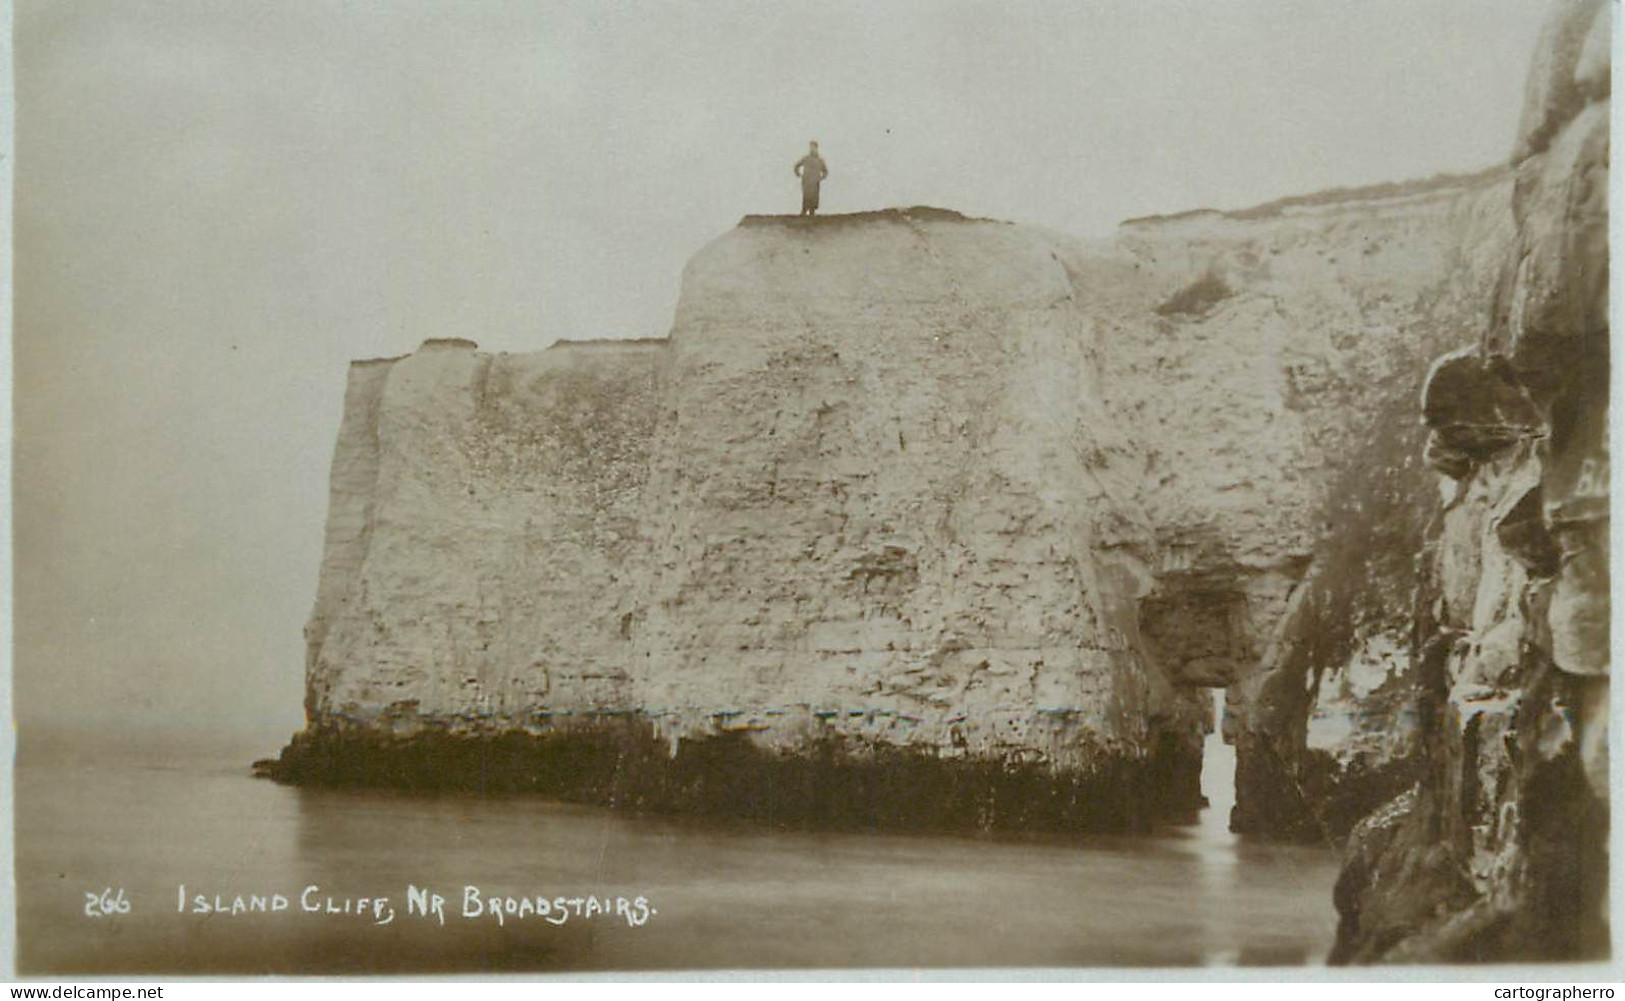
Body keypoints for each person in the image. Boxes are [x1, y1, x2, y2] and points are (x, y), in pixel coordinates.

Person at [793, 141, 829, 217]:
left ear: (817, 148)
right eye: (811, 147)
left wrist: (821, 178)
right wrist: (798, 174)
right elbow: (796, 166)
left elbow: (825, 171)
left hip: (815, 182)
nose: (812, 149)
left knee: (814, 197)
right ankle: (804, 212)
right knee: (806, 196)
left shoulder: (820, 160)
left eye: (814, 147)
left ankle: (812, 213)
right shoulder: (806, 158)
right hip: (806, 181)